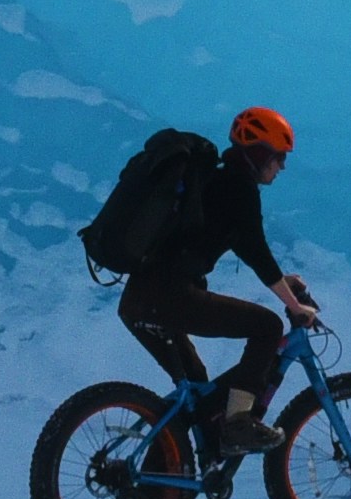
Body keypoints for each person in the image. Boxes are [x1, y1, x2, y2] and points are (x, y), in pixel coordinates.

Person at [120, 103, 321, 464]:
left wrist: (285, 285)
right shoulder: (239, 190)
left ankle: (155, 492)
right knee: (267, 326)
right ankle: (238, 425)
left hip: (140, 298)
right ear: (260, 154)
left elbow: (246, 248)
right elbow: (258, 252)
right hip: (170, 297)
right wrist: (294, 307)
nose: (283, 167)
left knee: (198, 394)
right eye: (279, 157)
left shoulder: (216, 182)